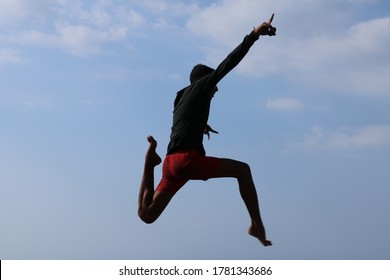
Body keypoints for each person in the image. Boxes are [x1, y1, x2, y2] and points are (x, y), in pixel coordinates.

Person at [138, 14, 276, 246]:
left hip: (170, 164)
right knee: (243, 170)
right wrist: (254, 35)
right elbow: (228, 63)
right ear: (204, 82)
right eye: (214, 85)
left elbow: (182, 118)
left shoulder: (180, 96)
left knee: (147, 215)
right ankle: (256, 225)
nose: (216, 90)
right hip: (187, 161)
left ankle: (149, 161)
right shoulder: (202, 86)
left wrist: (201, 125)